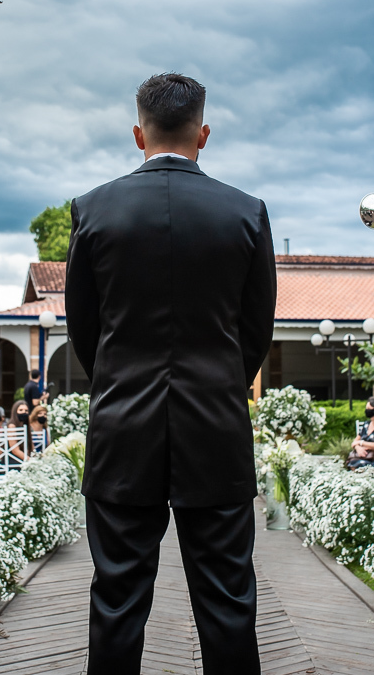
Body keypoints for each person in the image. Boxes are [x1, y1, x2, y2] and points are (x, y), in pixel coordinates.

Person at [66, 73, 276, 675]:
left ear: (138, 134)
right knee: (229, 600)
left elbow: (86, 329)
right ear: (203, 134)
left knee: (116, 599)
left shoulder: (93, 211)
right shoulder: (246, 212)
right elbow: (255, 330)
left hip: (121, 429)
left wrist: (118, 384)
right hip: (215, 428)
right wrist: (219, 388)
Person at [347, 398, 374, 470]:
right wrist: (358, 448)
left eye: (368, 408)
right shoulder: (366, 425)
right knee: (352, 462)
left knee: (358, 463)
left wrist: (361, 443)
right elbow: (354, 443)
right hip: (362, 456)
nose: (366, 410)